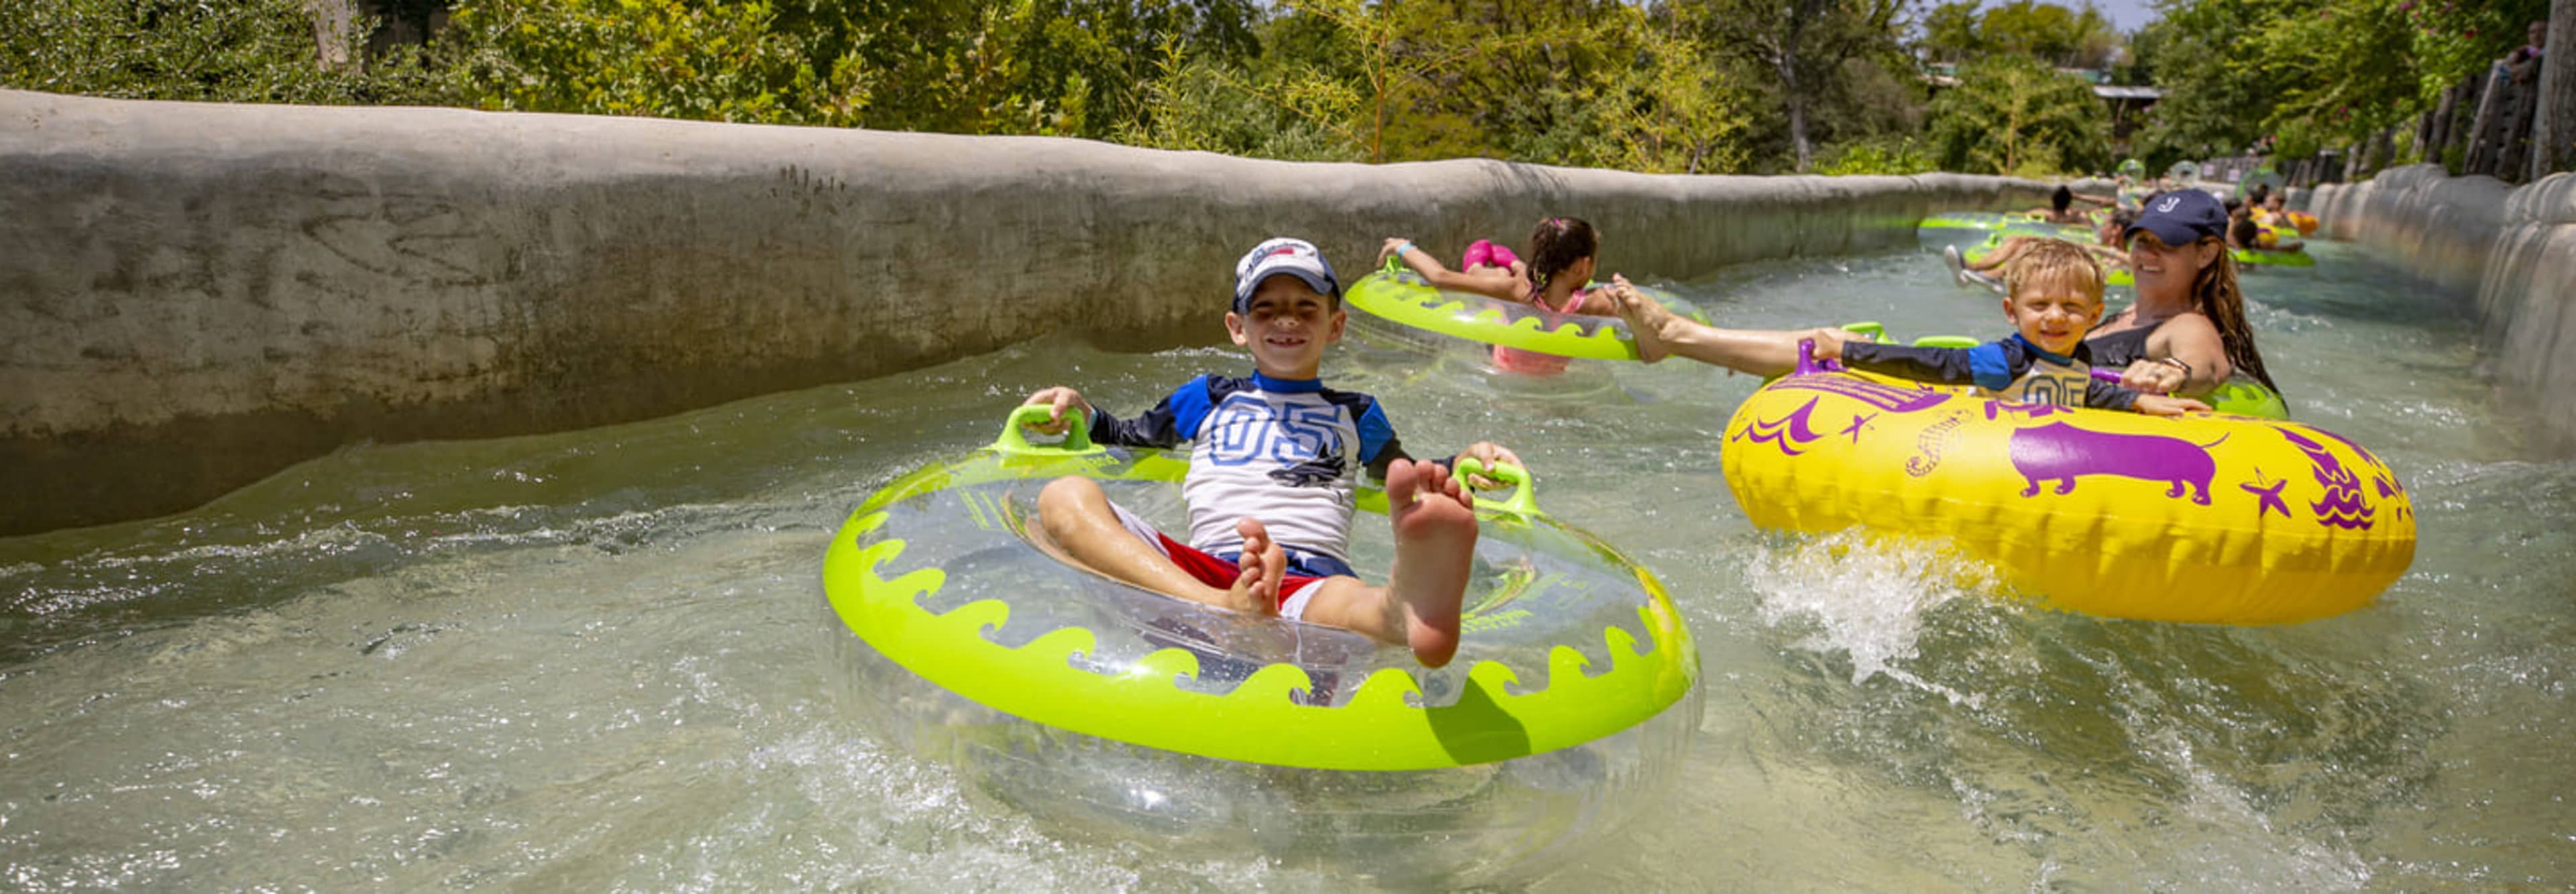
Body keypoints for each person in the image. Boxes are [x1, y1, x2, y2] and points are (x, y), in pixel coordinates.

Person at [1019, 237, 1522, 669]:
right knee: (1063, 497)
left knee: (1348, 601)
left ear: (1337, 325)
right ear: (1238, 327)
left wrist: (1464, 465)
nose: (1288, 319)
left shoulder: (1357, 412)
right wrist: (1083, 413)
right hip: (1203, 571)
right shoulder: (1208, 396)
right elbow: (1130, 436)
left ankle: (1399, 610)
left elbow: (1406, 476)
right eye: (1267, 308)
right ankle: (1226, 607)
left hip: (1314, 575)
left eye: (1307, 307)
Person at [1610, 189, 2277, 403]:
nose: (2144, 251)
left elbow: (2205, 362)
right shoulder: (2122, 309)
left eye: (2164, 242)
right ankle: (1675, 340)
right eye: (2140, 237)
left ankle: (1673, 341)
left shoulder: (2184, 326)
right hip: (2002, 389)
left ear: (2207, 252)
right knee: (1836, 340)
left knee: (1846, 350)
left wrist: (2174, 374)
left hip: (2018, 412)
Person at [1810, 239, 2208, 416]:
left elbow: (2087, 390)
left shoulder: (2078, 358)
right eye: (2038, 306)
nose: (2054, 317)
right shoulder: (2005, 361)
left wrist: (2138, 401)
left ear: (2093, 316)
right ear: (2011, 312)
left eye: (2071, 307)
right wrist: (1846, 351)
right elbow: (1926, 363)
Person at [1379, 217, 1646, 374]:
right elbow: (1647, 318)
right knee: (1493, 278)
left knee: (1503, 282)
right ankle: (1479, 263)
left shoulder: (1521, 291)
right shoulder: (1595, 303)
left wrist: (1404, 248)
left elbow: (1440, 278)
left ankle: (1511, 264)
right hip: (1508, 345)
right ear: (1583, 266)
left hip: (1505, 360)